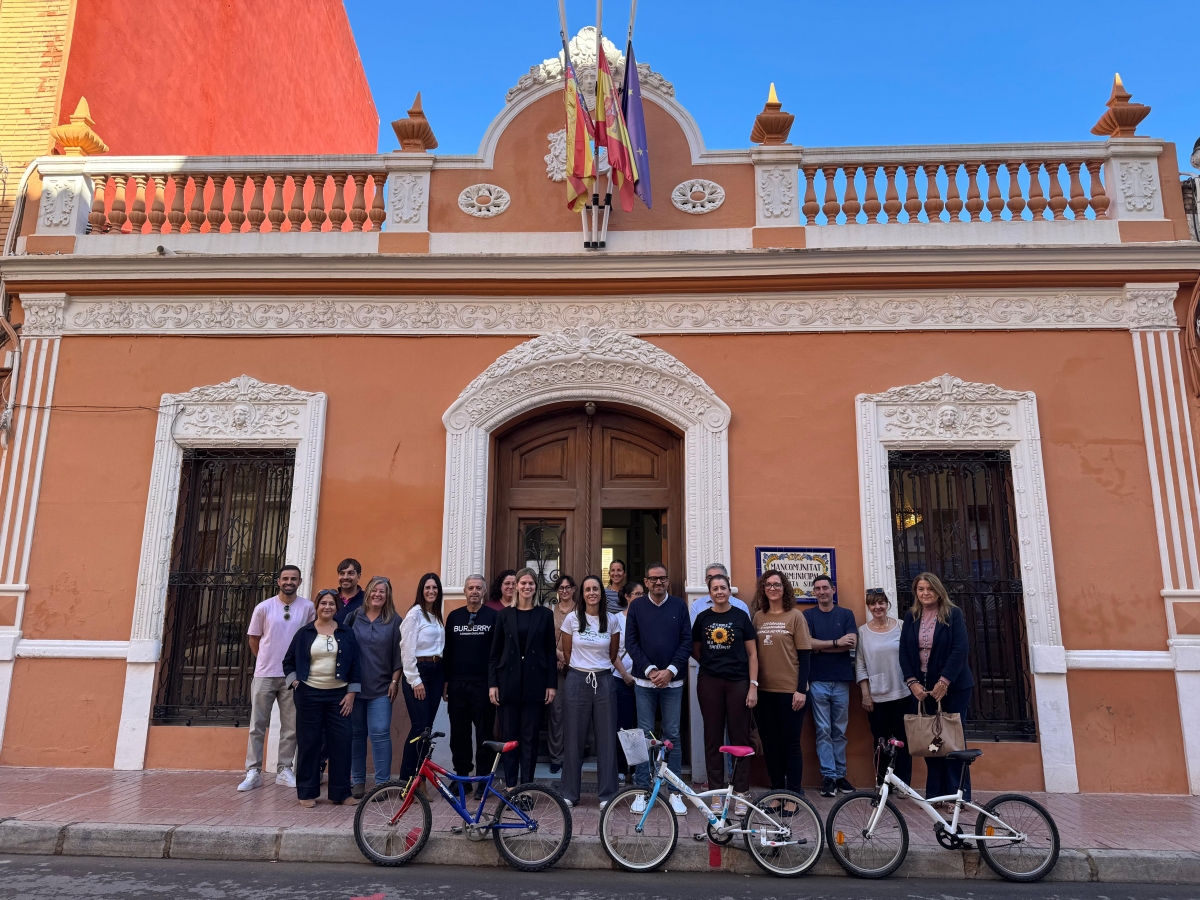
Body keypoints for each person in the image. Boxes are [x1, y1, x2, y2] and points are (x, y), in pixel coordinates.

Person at [239, 565, 315, 792]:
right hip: (265, 673)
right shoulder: (264, 607)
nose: (289, 582)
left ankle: (284, 769)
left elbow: (310, 639)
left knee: (290, 727)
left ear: (300, 582)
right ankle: (253, 771)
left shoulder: (308, 607)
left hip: (292, 676)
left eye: (293, 578)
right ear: (278, 581)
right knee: (257, 726)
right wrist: (266, 659)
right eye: (285, 578)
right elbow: (254, 639)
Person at [899, 572, 974, 801]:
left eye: (929, 589)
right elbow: (903, 652)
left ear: (938, 590)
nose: (925, 593)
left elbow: (960, 650)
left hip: (953, 689)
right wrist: (912, 682)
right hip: (923, 691)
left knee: (950, 742)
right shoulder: (911, 617)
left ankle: (957, 796)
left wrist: (944, 681)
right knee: (932, 743)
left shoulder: (953, 614)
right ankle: (935, 793)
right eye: (920, 589)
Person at [283, 590, 361, 807]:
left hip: (339, 696)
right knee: (310, 743)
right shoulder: (305, 633)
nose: (327, 607)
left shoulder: (346, 632)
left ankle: (341, 793)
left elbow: (355, 663)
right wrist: (294, 681)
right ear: (317, 606)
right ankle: (306, 792)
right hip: (309, 694)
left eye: (332, 604)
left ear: (337, 607)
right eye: (323, 603)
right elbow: (288, 661)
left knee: (342, 742)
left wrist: (351, 693)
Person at [624, 562, 691, 816]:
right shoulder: (637, 607)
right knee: (643, 733)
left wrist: (670, 670)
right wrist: (651, 670)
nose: (658, 583)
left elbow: (686, 642)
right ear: (647, 581)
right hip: (644, 681)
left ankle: (674, 791)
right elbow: (631, 642)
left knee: (672, 734)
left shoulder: (679, 606)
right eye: (654, 579)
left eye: (662, 578)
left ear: (668, 580)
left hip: (673, 682)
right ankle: (642, 789)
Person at [692, 571, 758, 815]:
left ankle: (741, 793)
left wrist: (753, 685)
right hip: (709, 682)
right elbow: (695, 649)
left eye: (723, 587)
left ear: (729, 590)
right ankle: (717, 793)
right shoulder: (703, 618)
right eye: (715, 588)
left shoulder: (741, 616)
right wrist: (713, 664)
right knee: (713, 738)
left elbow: (752, 654)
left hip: (739, 682)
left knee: (740, 737)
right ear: (709, 594)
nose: (719, 591)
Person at [489, 568, 557, 787]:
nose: (527, 587)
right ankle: (510, 787)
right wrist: (492, 685)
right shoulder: (503, 615)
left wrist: (551, 684)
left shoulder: (545, 615)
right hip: (508, 685)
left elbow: (549, 652)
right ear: (516, 586)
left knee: (530, 739)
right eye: (523, 583)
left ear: (536, 587)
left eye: (531, 584)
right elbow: (495, 653)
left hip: (535, 685)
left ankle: (526, 788)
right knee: (510, 739)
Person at [560, 574, 620, 808]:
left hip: (604, 681)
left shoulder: (612, 620)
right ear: (582, 594)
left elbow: (613, 655)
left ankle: (607, 794)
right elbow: (567, 654)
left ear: (601, 593)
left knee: (606, 739)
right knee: (574, 738)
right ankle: (569, 793)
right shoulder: (572, 619)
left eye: (596, 589)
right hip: (577, 680)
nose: (592, 593)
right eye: (587, 590)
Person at [752, 569, 811, 794]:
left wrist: (800, 690)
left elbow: (805, 655)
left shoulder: (795, 616)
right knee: (771, 745)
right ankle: (777, 791)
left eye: (777, 584)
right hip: (764, 692)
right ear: (763, 589)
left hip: (790, 692)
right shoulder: (758, 617)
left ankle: (794, 794)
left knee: (791, 745)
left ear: (784, 588)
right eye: (768, 585)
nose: (772, 588)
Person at [345, 575, 402, 799]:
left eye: (383, 591)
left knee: (380, 733)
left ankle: (382, 783)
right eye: (375, 590)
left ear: (388, 596)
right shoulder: (352, 617)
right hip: (354, 688)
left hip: (381, 688)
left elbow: (399, 655)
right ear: (367, 592)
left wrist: (395, 682)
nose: (378, 594)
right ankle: (357, 781)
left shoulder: (394, 620)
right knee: (356, 734)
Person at [442, 574, 498, 800]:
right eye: (470, 588)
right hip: (457, 685)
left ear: (484, 592)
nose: (474, 591)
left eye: (478, 588)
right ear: (464, 592)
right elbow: (448, 652)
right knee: (459, 734)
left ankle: (484, 780)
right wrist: (446, 680)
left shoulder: (494, 617)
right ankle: (462, 779)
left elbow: (497, 653)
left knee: (484, 734)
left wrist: (495, 684)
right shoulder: (454, 617)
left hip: (483, 685)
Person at [803, 574, 858, 797]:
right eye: (817, 588)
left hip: (842, 680)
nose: (822, 591)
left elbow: (851, 642)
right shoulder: (808, 615)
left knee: (839, 731)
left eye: (825, 587)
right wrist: (836, 643)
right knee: (823, 730)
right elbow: (807, 643)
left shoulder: (845, 614)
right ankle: (828, 776)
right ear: (814, 592)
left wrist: (821, 646)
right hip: (817, 680)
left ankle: (840, 775)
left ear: (833, 590)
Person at [857, 587, 912, 787]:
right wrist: (865, 694)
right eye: (873, 603)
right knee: (881, 742)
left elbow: (910, 656)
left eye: (881, 602)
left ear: (887, 604)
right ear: (869, 606)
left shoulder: (901, 626)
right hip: (877, 697)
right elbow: (860, 664)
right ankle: (882, 783)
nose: (877, 607)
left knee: (904, 741)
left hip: (903, 693)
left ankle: (904, 784)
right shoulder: (862, 631)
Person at [399, 573, 446, 781]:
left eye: (435, 588)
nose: (431, 591)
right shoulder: (414, 614)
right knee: (420, 727)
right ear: (421, 590)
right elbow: (406, 650)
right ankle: (406, 779)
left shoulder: (436, 615)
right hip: (419, 671)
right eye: (427, 587)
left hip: (436, 672)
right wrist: (415, 680)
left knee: (428, 728)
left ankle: (421, 779)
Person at [611, 580, 642, 780]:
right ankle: (621, 769)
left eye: (642, 594)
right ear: (627, 597)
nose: (641, 597)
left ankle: (639, 770)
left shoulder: (648, 618)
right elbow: (611, 651)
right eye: (637, 594)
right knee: (622, 725)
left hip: (643, 679)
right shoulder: (615, 619)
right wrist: (624, 674)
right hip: (620, 679)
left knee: (640, 727)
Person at [547, 574, 577, 775]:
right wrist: (558, 656)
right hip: (555, 668)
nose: (565, 590)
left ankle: (573, 756)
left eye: (568, 587)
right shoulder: (550, 612)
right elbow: (545, 637)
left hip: (576, 666)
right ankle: (556, 756)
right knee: (556, 714)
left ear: (574, 589)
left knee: (575, 713)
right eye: (561, 587)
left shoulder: (581, 611)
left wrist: (567, 658)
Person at [328, 558, 364, 626]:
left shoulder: (367, 601)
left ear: (358, 577)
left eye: (350, 573)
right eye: (342, 573)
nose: (345, 577)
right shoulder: (330, 599)